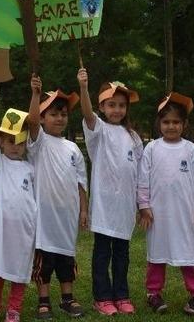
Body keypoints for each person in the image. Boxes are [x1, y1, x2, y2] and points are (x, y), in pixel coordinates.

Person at [138, 92, 194, 316]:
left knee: (188, 255)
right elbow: (143, 181)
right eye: (166, 122)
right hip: (157, 216)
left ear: (185, 124)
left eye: (176, 122)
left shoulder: (190, 149)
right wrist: (144, 206)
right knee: (157, 256)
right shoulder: (152, 148)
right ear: (159, 123)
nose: (171, 126)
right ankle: (153, 293)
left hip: (184, 215)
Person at [76, 69, 142, 316]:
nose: (117, 110)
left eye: (121, 105)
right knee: (102, 253)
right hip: (104, 206)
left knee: (122, 255)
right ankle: (102, 297)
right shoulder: (98, 131)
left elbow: (140, 171)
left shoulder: (133, 136)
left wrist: (140, 202)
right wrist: (83, 88)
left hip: (125, 207)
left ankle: (122, 295)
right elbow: (86, 113)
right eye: (111, 105)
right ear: (101, 107)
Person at [27, 74, 88, 319]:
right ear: (43, 118)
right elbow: (30, 122)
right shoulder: (38, 143)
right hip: (44, 218)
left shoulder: (73, 148)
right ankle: (43, 301)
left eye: (63, 114)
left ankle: (67, 298)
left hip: (67, 217)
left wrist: (84, 209)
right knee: (45, 261)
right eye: (53, 114)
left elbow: (81, 183)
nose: (59, 118)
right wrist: (35, 95)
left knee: (65, 260)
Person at [0, 98, 36, 322]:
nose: (15, 146)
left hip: (24, 231)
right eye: (10, 141)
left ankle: (14, 309)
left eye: (20, 142)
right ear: (2, 141)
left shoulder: (30, 169)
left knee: (19, 269)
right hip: (1, 230)